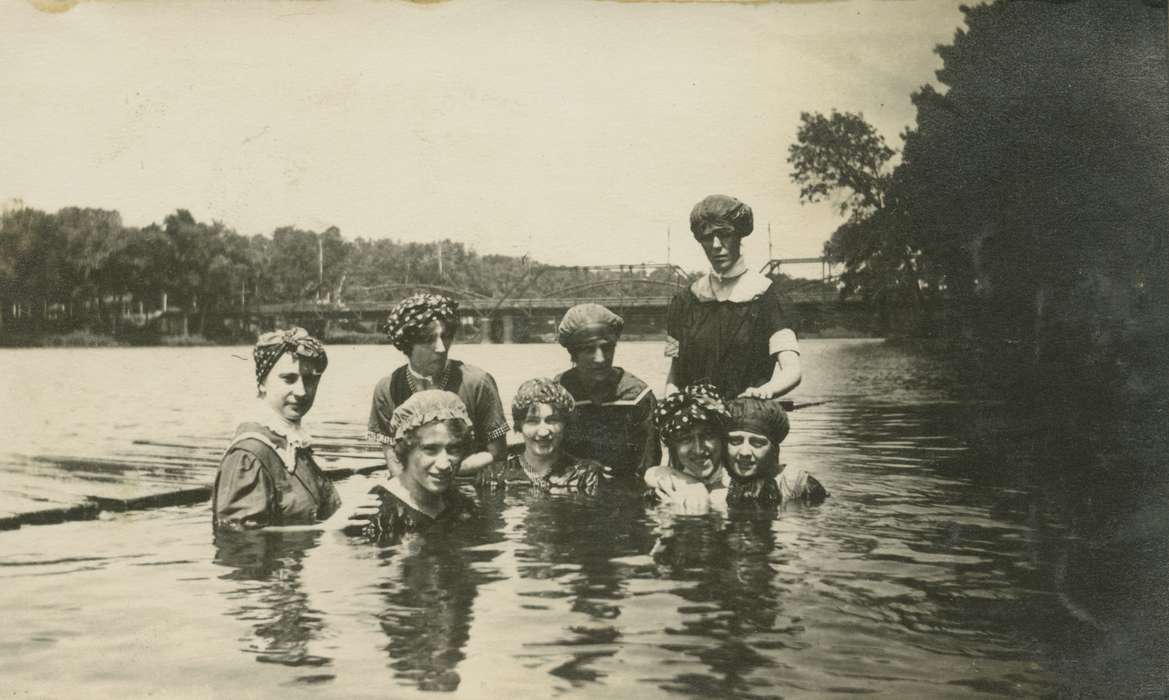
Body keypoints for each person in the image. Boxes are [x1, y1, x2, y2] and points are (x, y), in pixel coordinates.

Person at [665, 194, 802, 400]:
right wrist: (671, 398)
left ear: (739, 236)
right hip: (696, 416)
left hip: (749, 410)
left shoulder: (766, 296)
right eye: (707, 237)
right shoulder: (686, 301)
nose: (716, 245)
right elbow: (675, 376)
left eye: (724, 234)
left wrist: (765, 391)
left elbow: (793, 370)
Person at [213, 327, 342, 530]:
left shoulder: (291, 443)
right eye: (289, 379)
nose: (301, 391)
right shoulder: (249, 454)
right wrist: (327, 529)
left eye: (310, 380)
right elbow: (238, 539)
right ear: (262, 382)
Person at [366, 293, 509, 475]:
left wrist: (441, 471)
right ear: (407, 343)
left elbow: (497, 453)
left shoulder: (478, 383)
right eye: (429, 339)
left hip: (468, 483)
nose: (441, 348)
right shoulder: (387, 389)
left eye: (446, 336)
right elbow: (391, 457)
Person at [553, 303, 661, 480]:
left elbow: (649, 465)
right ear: (573, 354)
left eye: (607, 348)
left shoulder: (637, 397)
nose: (600, 358)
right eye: (589, 349)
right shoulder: (558, 392)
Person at [358, 390, 478, 544]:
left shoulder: (460, 505)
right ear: (406, 449)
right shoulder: (376, 512)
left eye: (453, 449)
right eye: (430, 449)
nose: (444, 464)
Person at [476, 378, 606, 494]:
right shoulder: (494, 474)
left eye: (552, 420)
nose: (543, 432)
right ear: (519, 426)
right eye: (532, 421)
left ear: (565, 425)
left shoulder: (584, 474)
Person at [720, 397, 828, 508]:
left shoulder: (798, 484)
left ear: (774, 450)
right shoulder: (717, 482)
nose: (744, 452)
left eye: (757, 443)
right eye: (735, 440)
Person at [643, 383, 731, 510]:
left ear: (721, 438)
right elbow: (652, 473)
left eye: (707, 435)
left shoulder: (734, 486)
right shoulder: (675, 479)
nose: (698, 450)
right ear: (673, 445)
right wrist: (693, 484)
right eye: (685, 439)